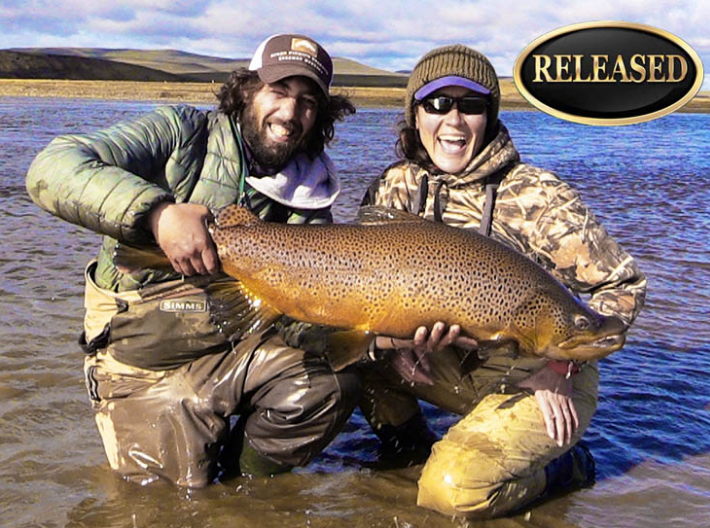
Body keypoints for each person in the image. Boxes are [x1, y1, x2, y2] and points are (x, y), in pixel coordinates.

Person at [25, 33, 358, 487]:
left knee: (332, 384)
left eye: (307, 102)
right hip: (142, 365)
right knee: (167, 503)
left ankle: (246, 482)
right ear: (247, 91)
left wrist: (373, 329)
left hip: (232, 350)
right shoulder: (182, 133)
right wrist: (158, 214)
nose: (289, 113)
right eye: (278, 91)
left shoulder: (310, 197)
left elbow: (299, 324)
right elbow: (53, 168)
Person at [359, 44, 647, 519]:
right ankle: (412, 454)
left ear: (489, 116)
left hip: (545, 375)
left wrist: (560, 369)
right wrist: (394, 336)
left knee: (451, 494)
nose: (453, 120)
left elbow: (624, 289)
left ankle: (563, 470)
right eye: (437, 104)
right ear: (415, 114)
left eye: (469, 105)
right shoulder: (394, 188)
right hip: (448, 361)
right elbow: (363, 290)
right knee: (346, 357)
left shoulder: (539, 196)